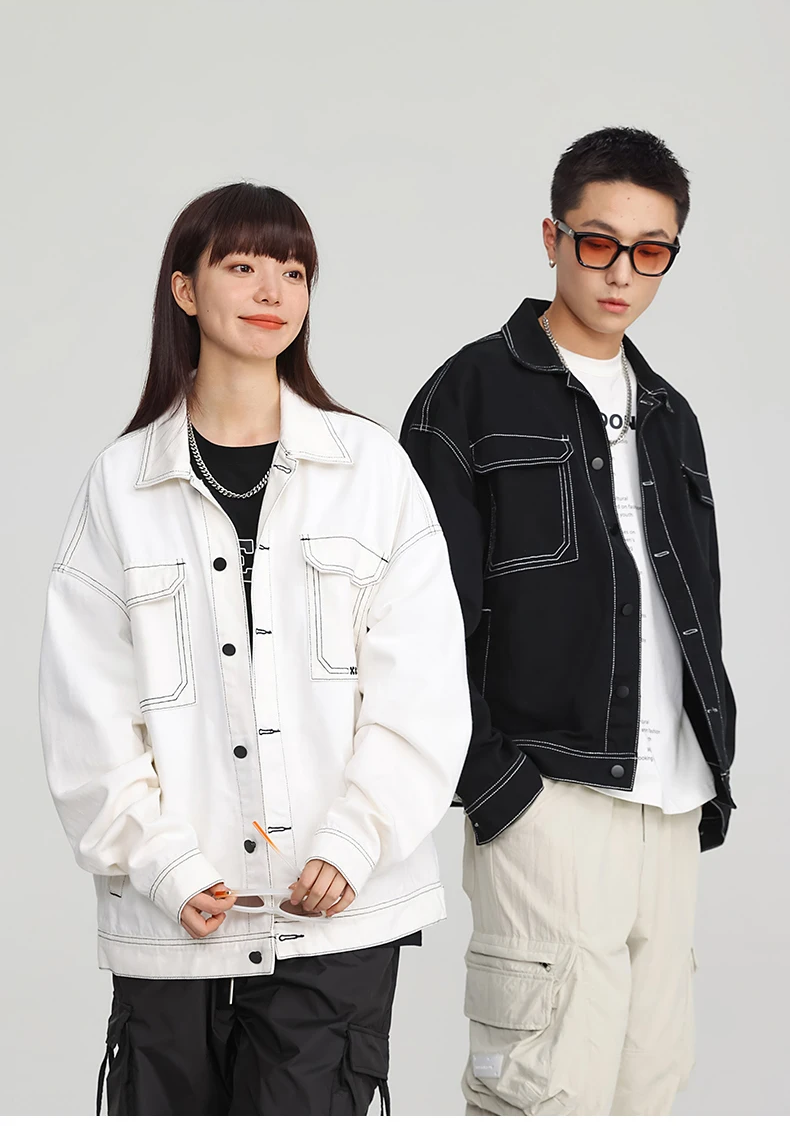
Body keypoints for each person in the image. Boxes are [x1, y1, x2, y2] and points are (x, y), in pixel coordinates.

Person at [38, 182, 471, 1117]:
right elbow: (86, 715)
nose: (273, 289)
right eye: (242, 265)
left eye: (295, 270)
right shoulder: (120, 486)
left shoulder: (372, 474)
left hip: (340, 918)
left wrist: (354, 840)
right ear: (185, 290)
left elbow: (425, 691)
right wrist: (164, 863)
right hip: (173, 926)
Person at [400, 128, 736, 1117]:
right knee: (544, 1092)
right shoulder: (469, 394)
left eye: (651, 250)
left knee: (647, 1086)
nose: (622, 272)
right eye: (598, 242)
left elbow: (695, 608)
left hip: (670, 800)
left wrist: (713, 767)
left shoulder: (671, 413)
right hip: (547, 794)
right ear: (552, 237)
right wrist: (494, 782)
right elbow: (414, 618)